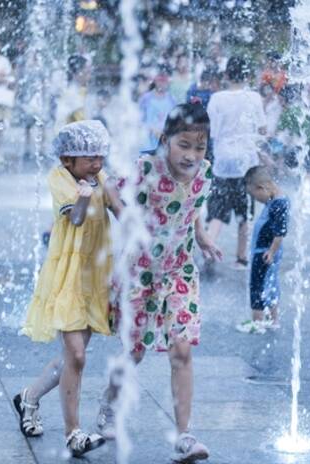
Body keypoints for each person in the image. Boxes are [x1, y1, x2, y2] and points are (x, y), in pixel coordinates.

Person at [101, 103, 222, 463]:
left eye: (200, 147)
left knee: (182, 351)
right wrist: (126, 220)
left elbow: (193, 205)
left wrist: (201, 237)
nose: (192, 155)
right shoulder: (145, 168)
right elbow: (109, 185)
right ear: (165, 139)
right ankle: (108, 404)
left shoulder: (204, 173)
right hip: (141, 273)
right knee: (134, 352)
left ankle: (184, 435)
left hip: (180, 272)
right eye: (184, 145)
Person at [16, 120, 113, 457]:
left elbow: (120, 207)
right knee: (76, 355)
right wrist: (86, 196)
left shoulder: (100, 178)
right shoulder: (59, 178)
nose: (97, 164)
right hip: (68, 276)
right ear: (68, 160)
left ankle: (28, 398)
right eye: (89, 159)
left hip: (94, 276)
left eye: (100, 157)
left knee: (72, 358)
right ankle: (73, 434)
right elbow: (75, 218)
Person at [206, 56, 267, 270]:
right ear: (247, 75)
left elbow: (212, 132)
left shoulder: (217, 99)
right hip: (246, 162)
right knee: (245, 212)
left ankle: (209, 250)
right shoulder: (254, 98)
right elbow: (262, 130)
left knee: (218, 211)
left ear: (226, 75)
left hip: (223, 161)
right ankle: (241, 258)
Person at [236, 166, 289, 334]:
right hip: (266, 251)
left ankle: (257, 321)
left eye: (254, 195)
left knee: (257, 285)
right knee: (270, 284)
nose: (255, 199)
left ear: (262, 188)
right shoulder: (276, 200)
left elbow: (280, 233)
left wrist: (271, 252)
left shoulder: (278, 204)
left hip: (265, 252)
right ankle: (273, 320)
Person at [139, 67, 177, 151]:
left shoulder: (172, 100)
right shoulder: (146, 98)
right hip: (148, 141)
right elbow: (139, 121)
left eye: (164, 81)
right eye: (160, 80)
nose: (162, 83)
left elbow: (175, 121)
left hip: (165, 140)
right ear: (155, 81)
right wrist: (151, 129)